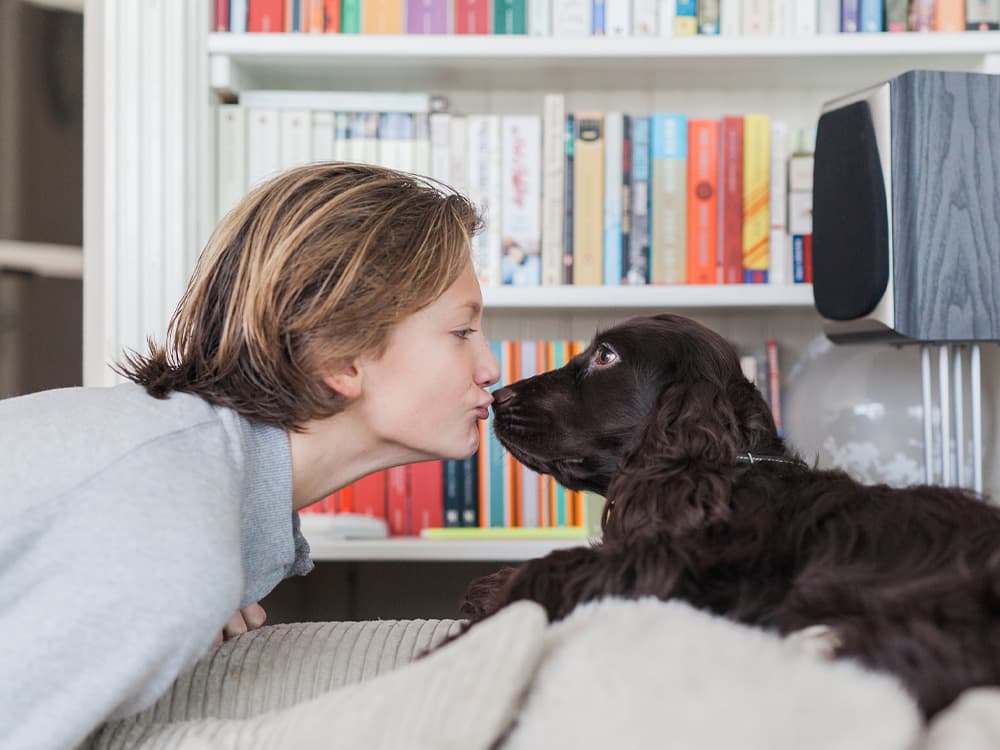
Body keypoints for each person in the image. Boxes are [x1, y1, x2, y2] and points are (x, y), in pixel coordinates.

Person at [0, 162, 501, 750]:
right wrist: (185, 591)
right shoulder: (173, 547)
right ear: (341, 357)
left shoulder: (197, 505)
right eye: (462, 332)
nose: (491, 369)